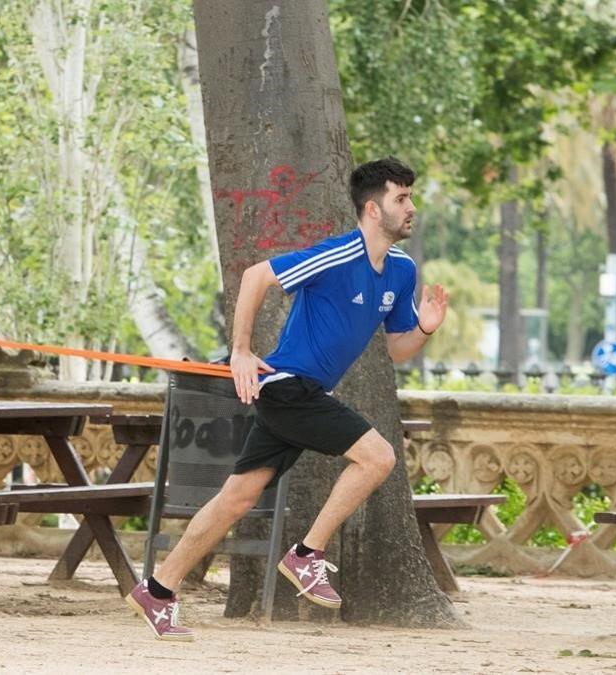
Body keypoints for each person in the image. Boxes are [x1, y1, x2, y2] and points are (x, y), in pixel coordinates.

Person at [126, 157, 448, 641]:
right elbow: (257, 276)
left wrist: (424, 327)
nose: (411, 207)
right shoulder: (338, 256)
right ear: (371, 208)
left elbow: (398, 348)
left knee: (237, 497)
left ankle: (157, 589)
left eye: (410, 197)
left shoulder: (401, 271)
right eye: (401, 198)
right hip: (287, 388)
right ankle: (306, 555)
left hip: (304, 394)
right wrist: (240, 350)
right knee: (378, 457)